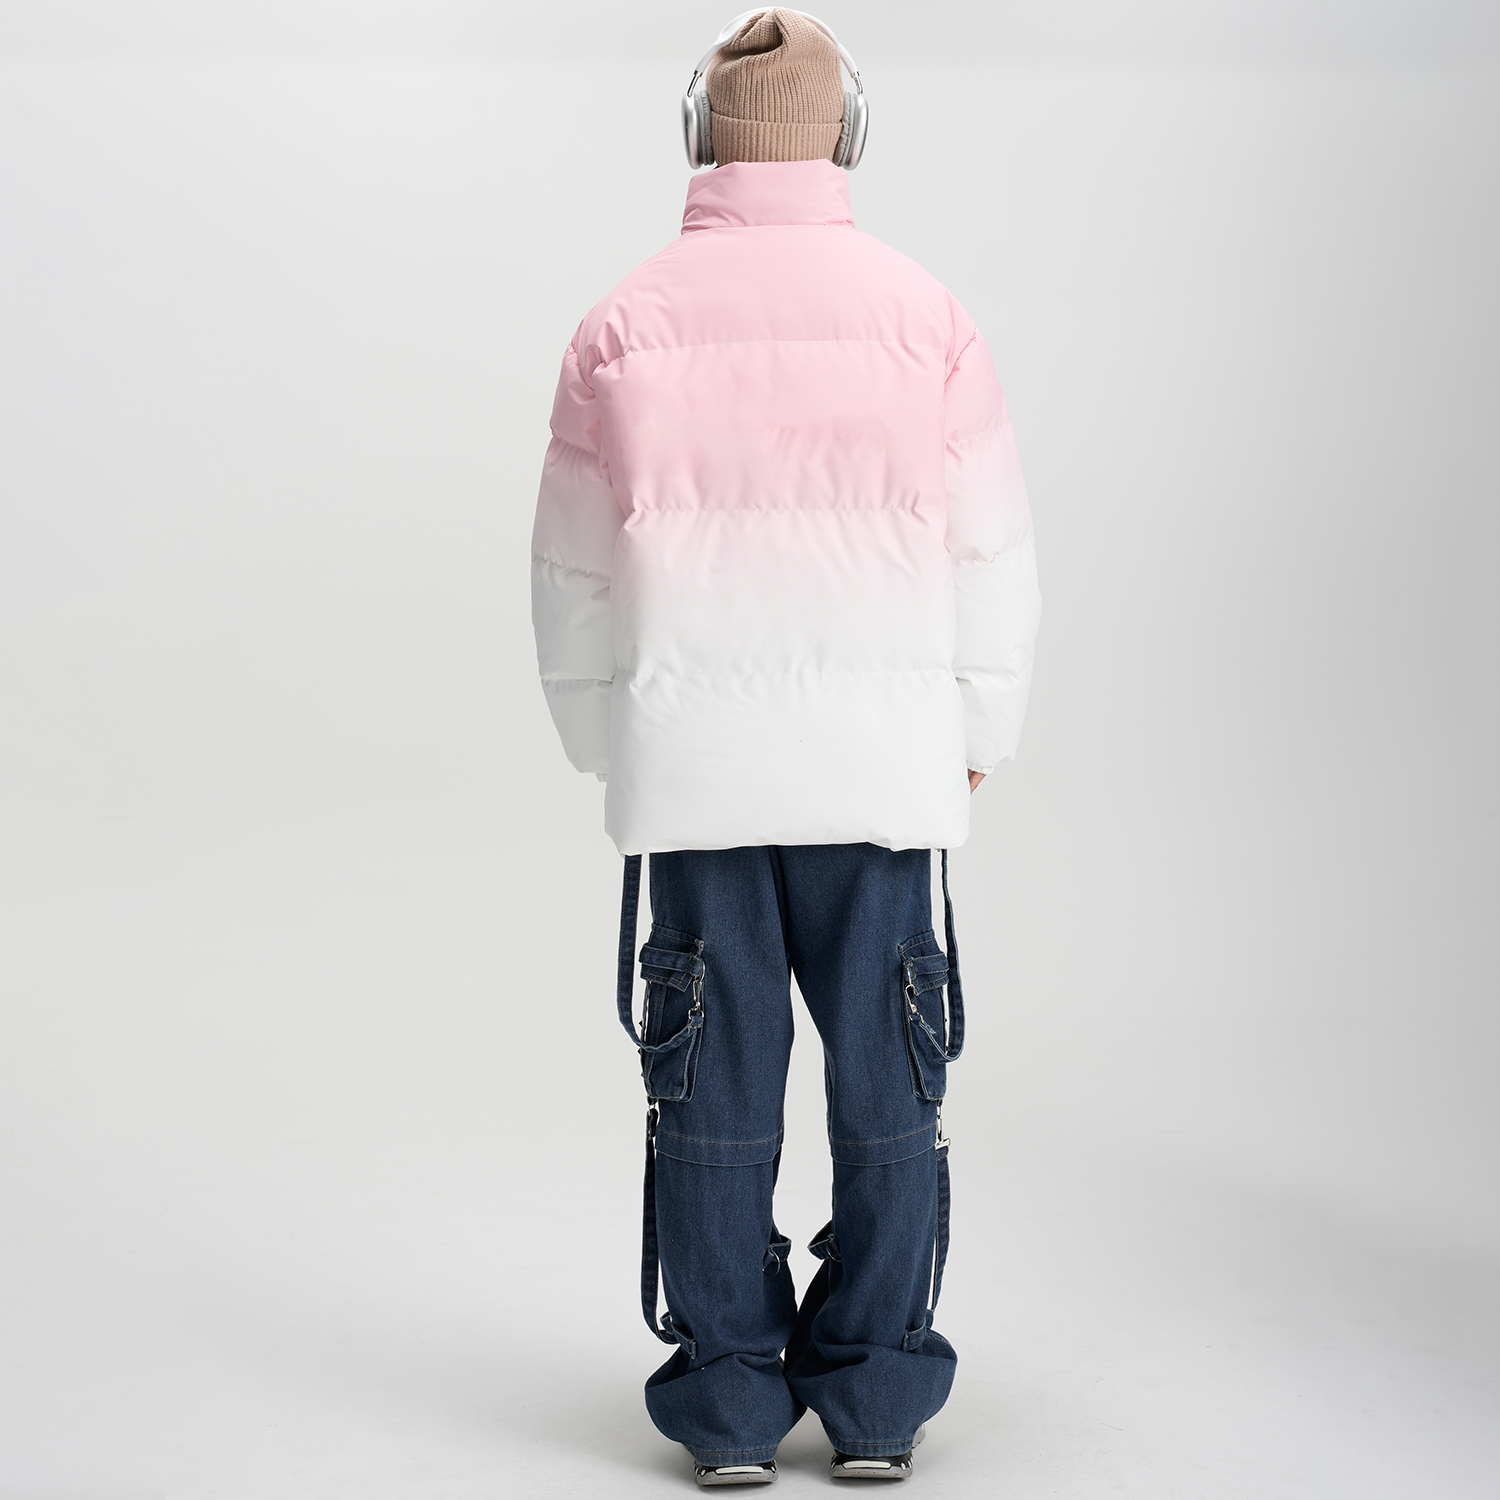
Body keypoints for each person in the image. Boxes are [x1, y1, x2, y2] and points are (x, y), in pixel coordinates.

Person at [530, 9, 1040, 1486]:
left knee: (711, 1086)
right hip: (881, 770)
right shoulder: (926, 314)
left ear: (701, 132)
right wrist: (977, 728)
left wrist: (605, 740)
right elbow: (991, 550)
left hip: (694, 776)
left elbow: (571, 571)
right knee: (891, 1085)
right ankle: (877, 1399)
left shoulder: (622, 322)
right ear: (847, 132)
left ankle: (733, 1405)